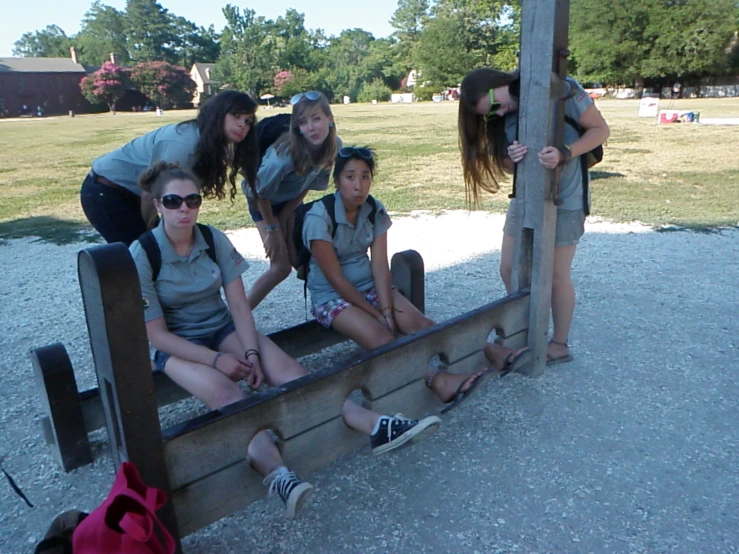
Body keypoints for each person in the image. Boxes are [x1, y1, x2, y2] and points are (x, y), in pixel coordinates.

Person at [129, 162, 442, 517]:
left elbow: (239, 307)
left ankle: (377, 426)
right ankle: (279, 475)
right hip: (178, 345)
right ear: (158, 206)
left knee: (293, 374)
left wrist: (251, 352)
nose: (183, 208)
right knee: (228, 395)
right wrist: (217, 361)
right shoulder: (144, 254)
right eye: (173, 201)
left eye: (192, 200)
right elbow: (157, 335)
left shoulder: (212, 239)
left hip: (222, 327)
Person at [302, 146, 531, 413]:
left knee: (421, 324)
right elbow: (336, 279)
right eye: (350, 177)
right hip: (332, 297)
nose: (358, 186)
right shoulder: (319, 217)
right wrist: (377, 316)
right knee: (382, 339)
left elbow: (379, 264)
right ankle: (436, 380)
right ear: (338, 180)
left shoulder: (374, 209)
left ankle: (488, 350)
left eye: (365, 177)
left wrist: (387, 310)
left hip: (370, 286)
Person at [458, 68, 610, 365]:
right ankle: (524, 331)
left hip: (567, 197)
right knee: (508, 267)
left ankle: (559, 344)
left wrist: (566, 152)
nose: (498, 115)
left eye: (495, 106)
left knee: (556, 276)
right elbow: (504, 164)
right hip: (525, 198)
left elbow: (600, 130)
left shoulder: (562, 88)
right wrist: (511, 159)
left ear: (499, 85)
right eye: (490, 114)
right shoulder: (503, 116)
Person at [81, 90, 260, 246]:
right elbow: (150, 194)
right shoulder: (183, 144)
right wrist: (154, 237)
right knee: (141, 259)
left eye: (248, 121)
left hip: (131, 194)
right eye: (236, 116)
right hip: (107, 192)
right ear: (218, 114)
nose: (242, 125)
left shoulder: (210, 144)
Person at [242, 91, 341, 309]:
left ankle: (332, 305)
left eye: (317, 118)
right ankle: (237, 317)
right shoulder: (284, 155)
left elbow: (308, 183)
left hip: (287, 201)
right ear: (296, 127)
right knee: (280, 268)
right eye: (303, 122)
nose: (311, 127)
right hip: (262, 201)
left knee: (299, 260)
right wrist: (272, 228)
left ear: (330, 118)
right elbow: (259, 192)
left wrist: (286, 216)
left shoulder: (333, 147)